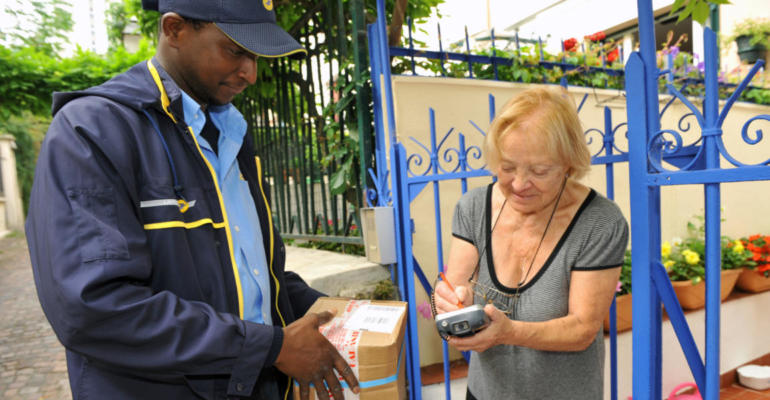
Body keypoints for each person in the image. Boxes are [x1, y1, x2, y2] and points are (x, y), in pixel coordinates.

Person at [25, 1, 359, 399]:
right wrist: (270, 347)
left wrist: (329, 309)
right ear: (175, 30)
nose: (250, 73)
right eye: (236, 51)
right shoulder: (92, 132)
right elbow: (93, 308)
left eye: (255, 56)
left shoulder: (231, 133)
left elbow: (246, 270)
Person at [433, 87, 629, 399]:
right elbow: (451, 290)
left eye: (539, 171)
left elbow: (581, 330)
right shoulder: (473, 208)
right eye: (507, 167)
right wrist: (451, 301)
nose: (520, 184)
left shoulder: (599, 222)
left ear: (568, 164)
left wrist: (509, 332)